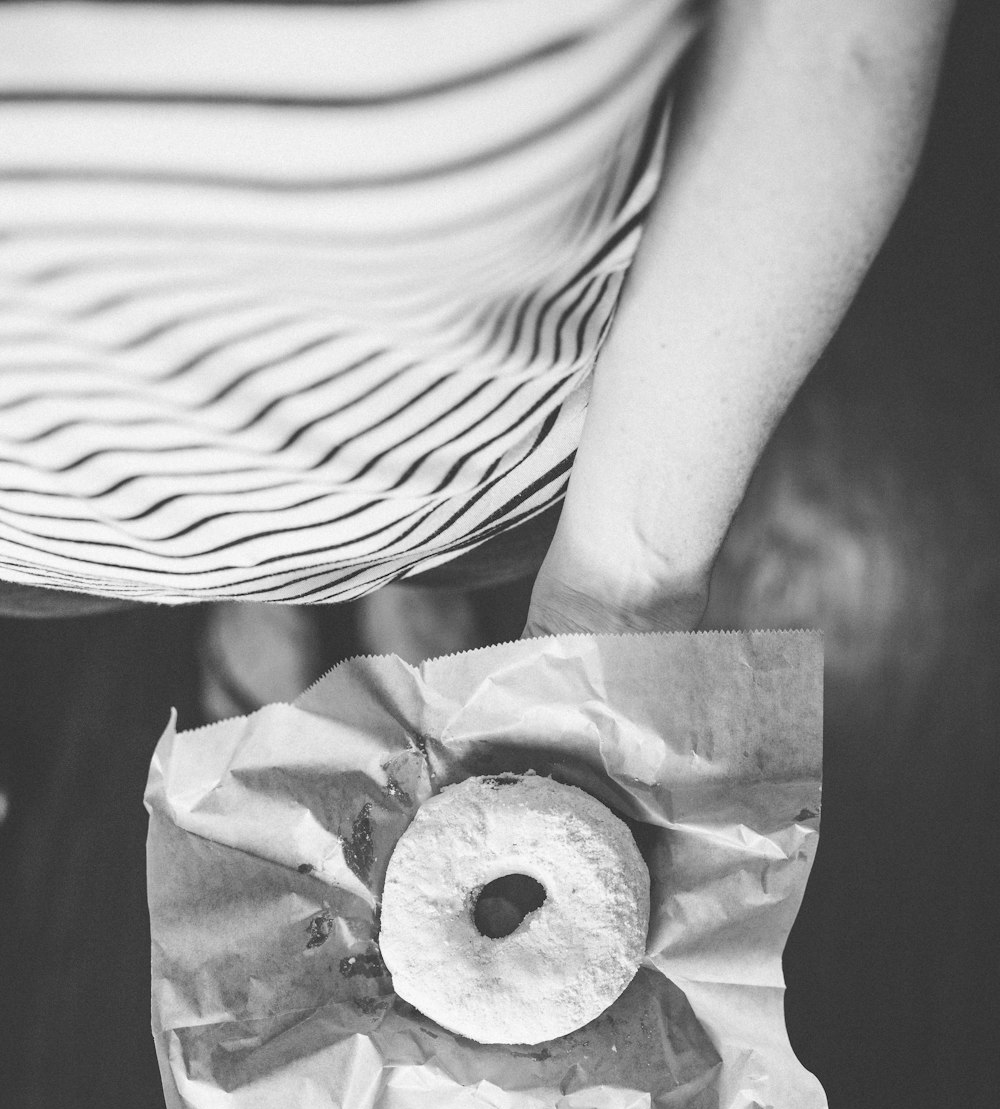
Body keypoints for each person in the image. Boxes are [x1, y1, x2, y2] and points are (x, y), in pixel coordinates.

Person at [0, 0, 956, 689]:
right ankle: (264, 589)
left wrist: (618, 593)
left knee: (419, 561)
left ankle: (335, 580)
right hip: (51, 550)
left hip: (488, 465)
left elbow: (831, 44)